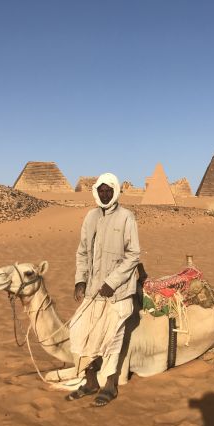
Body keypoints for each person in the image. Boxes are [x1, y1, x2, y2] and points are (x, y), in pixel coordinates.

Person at [67, 173, 140, 406]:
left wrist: (113, 281)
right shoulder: (90, 217)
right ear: (96, 192)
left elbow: (133, 254)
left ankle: (110, 385)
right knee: (80, 332)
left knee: (112, 338)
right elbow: (82, 252)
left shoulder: (126, 217)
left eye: (109, 190)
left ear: (116, 191)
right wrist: (80, 280)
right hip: (93, 292)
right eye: (101, 190)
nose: (105, 194)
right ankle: (90, 381)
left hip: (117, 293)